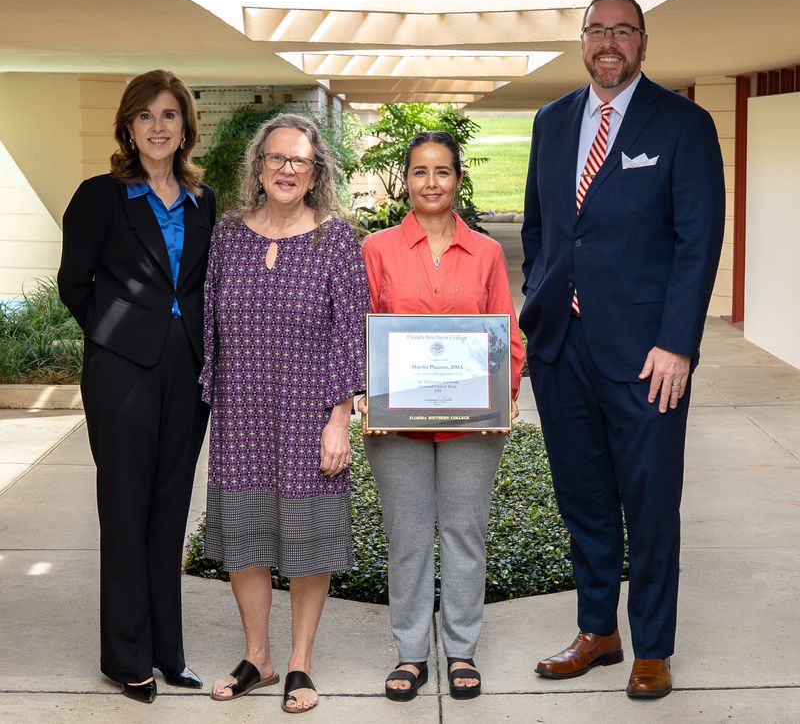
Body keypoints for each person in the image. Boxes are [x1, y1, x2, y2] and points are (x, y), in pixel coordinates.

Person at [519, 0, 725, 699]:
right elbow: (543, 229)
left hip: (647, 357)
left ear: (644, 42)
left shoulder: (685, 124)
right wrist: (541, 306)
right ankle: (598, 629)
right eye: (597, 30)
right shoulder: (551, 121)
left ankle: (654, 647)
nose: (609, 42)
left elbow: (697, 242)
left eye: (623, 31)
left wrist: (678, 343)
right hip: (562, 348)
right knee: (583, 497)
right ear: (582, 41)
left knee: (650, 501)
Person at [200, 113, 368, 714]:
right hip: (241, 410)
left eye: (299, 159)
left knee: (307, 537)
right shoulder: (228, 235)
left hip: (307, 412)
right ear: (258, 166)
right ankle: (257, 658)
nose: (287, 169)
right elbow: (207, 322)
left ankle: (299, 664)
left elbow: (352, 335)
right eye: (277, 158)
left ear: (316, 169)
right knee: (245, 536)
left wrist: (337, 417)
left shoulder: (337, 238)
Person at [57, 70, 216, 703]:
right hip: (122, 369)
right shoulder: (99, 196)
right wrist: (117, 335)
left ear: (185, 128)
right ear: (128, 126)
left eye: (169, 115)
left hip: (188, 367)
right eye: (146, 115)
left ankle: (167, 651)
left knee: (170, 508)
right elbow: (75, 283)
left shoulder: (203, 201)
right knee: (124, 508)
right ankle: (125, 656)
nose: (158, 126)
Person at [359, 131, 524, 702]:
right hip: (397, 423)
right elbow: (360, 331)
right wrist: (365, 395)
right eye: (421, 172)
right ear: (406, 179)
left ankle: (460, 650)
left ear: (458, 179)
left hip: (470, 422)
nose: (432, 183)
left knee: (463, 535)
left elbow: (507, 330)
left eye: (443, 172)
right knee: (406, 539)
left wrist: (505, 393)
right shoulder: (375, 250)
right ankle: (409, 653)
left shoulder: (485, 253)